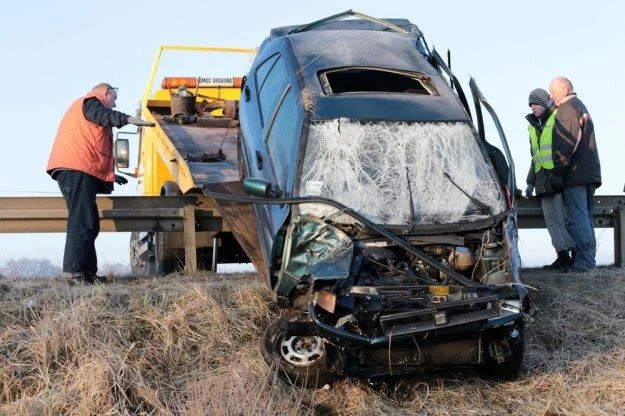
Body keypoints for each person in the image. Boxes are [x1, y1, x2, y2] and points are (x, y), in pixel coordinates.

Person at [46, 83, 155, 283]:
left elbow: (92, 150)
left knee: (89, 223)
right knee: (82, 221)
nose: (114, 105)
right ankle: (74, 273)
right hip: (76, 170)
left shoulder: (87, 108)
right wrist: (129, 119)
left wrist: (111, 176)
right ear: (105, 94)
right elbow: (105, 117)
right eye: (113, 100)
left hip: (76, 170)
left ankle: (86, 273)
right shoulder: (91, 104)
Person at [548, 76, 601, 271]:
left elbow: (567, 142)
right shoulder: (579, 106)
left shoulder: (567, 108)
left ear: (564, 88)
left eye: (552, 91)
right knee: (584, 217)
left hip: (575, 175)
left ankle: (585, 262)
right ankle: (585, 258)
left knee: (576, 218)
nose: (551, 95)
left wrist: (558, 171)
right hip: (588, 173)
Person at [524, 88, 576, 269]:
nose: (532, 107)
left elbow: (565, 150)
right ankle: (562, 256)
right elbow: (535, 157)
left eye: (535, 103)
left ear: (545, 103)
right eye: (530, 104)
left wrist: (561, 176)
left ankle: (574, 254)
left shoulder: (557, 119)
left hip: (558, 179)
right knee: (551, 222)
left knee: (564, 219)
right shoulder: (531, 126)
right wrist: (530, 182)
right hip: (541, 182)